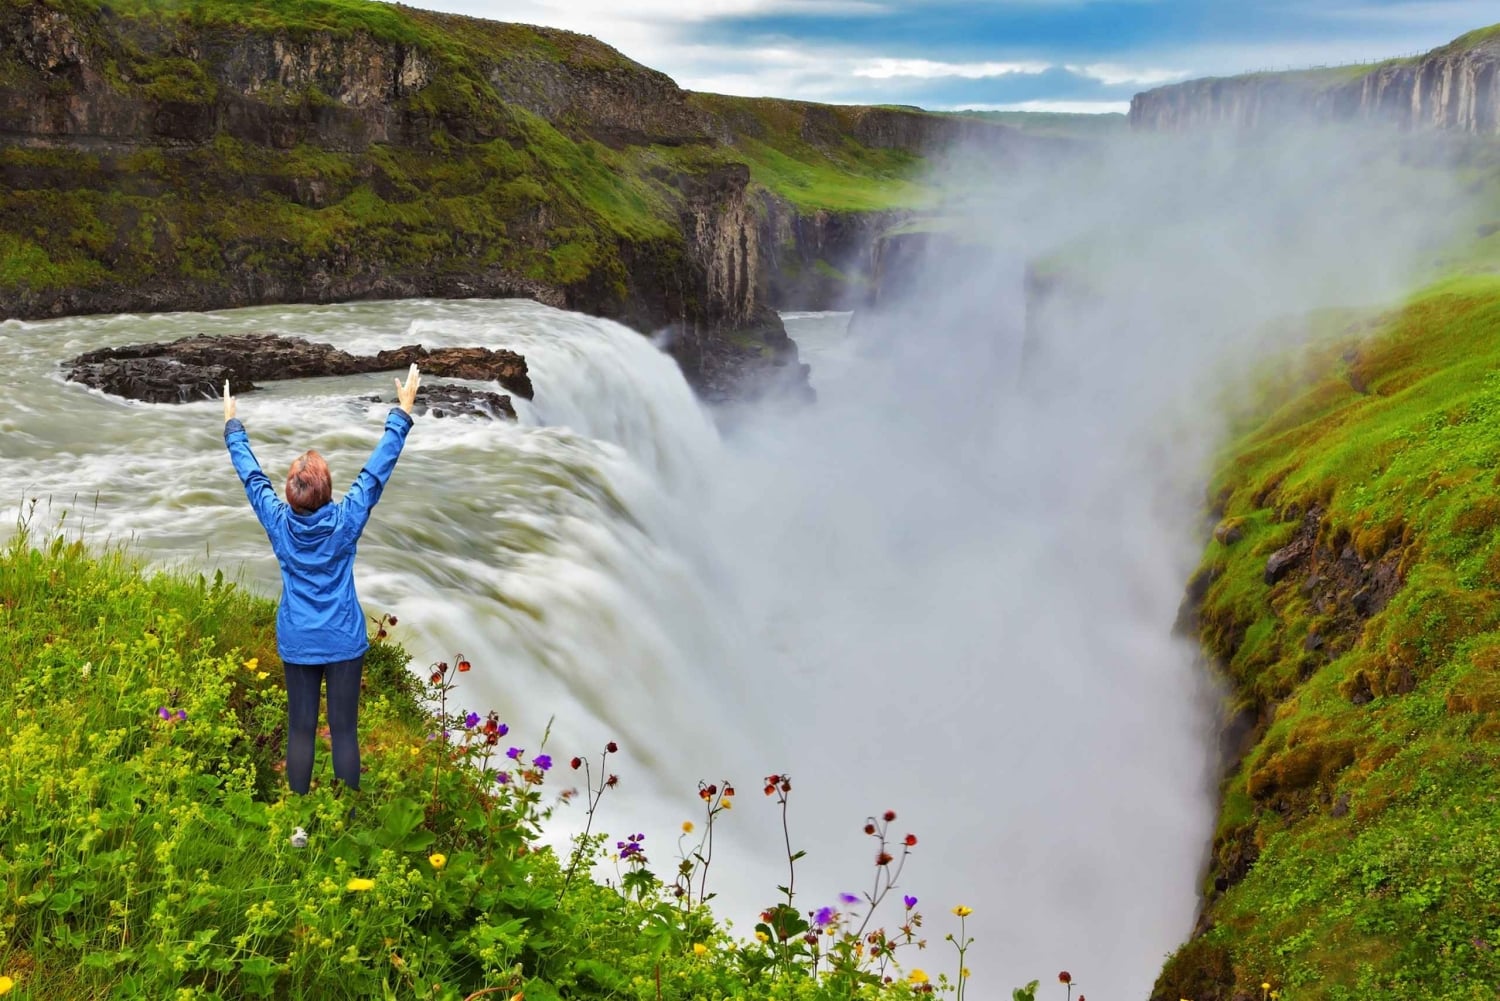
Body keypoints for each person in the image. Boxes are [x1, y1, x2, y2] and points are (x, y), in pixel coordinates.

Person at [223, 364, 421, 846]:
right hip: (344, 639)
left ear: (290, 494)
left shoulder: (276, 519)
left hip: (299, 638)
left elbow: (251, 477)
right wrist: (402, 413)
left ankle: (299, 828)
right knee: (345, 732)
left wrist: (233, 425)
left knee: (300, 732)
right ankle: (345, 825)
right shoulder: (347, 519)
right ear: (328, 492)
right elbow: (376, 474)